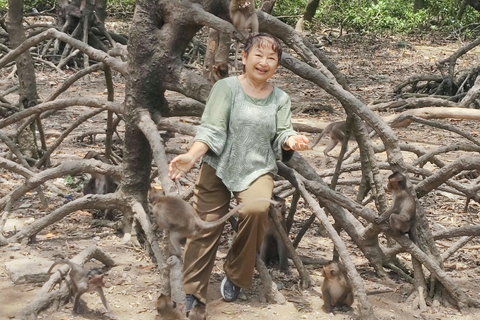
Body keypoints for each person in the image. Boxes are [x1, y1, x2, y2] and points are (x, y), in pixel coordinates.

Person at [168, 33, 309, 313]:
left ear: (277, 65)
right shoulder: (226, 88)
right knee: (205, 224)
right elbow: (212, 128)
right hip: (218, 163)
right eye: (258, 55)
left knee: (256, 210)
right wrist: (192, 155)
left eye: (272, 58)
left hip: (257, 167)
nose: (264, 62)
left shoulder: (280, 98)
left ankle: (235, 273)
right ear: (244, 58)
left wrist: (290, 140)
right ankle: (193, 290)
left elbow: (283, 131)